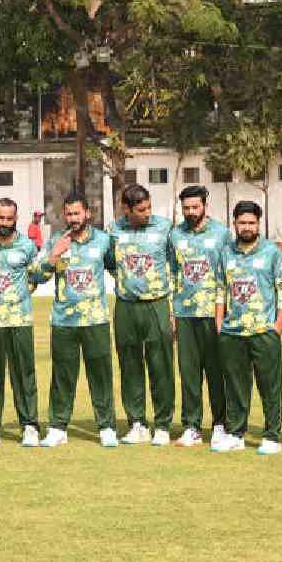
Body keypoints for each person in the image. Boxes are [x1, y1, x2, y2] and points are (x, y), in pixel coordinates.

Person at [37, 193, 119, 448]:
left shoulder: (104, 240)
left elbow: (116, 268)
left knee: (101, 376)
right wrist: (54, 255)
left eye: (77, 213)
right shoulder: (56, 241)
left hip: (96, 320)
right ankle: (57, 427)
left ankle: (106, 427)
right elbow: (38, 276)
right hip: (64, 321)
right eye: (69, 214)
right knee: (62, 377)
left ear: (87, 213)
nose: (73, 218)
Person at [213, 201, 282, 455]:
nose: (247, 227)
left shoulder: (272, 252)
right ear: (234, 223)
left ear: (258, 224)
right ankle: (236, 434)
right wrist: (219, 323)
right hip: (232, 332)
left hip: (264, 331)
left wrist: (278, 326)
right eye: (242, 222)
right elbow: (220, 289)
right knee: (235, 386)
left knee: (270, 387)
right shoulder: (226, 253)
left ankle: (271, 436)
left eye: (251, 223)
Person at [107, 184, 175, 446]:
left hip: (157, 304)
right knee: (129, 366)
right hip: (126, 306)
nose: (147, 213)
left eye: (149, 208)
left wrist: (173, 308)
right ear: (126, 208)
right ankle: (137, 423)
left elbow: (176, 264)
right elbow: (110, 262)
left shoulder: (164, 228)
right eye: (141, 210)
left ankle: (163, 425)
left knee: (161, 366)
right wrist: (127, 281)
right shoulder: (114, 230)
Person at [0, 198, 43, 448]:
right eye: (0, 218)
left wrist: (17, 298)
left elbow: (35, 277)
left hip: (19, 320)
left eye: (9, 218)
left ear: (16, 219)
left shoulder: (27, 246)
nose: (4, 223)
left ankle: (30, 426)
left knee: (24, 375)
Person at [169, 185, 233, 450]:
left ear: (205, 205)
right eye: (186, 208)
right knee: (189, 373)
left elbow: (229, 273)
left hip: (213, 314)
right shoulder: (175, 234)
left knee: (216, 372)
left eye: (195, 207)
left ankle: (220, 424)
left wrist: (224, 313)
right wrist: (172, 312)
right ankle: (191, 426)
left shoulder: (222, 234)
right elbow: (173, 273)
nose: (191, 212)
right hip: (185, 313)